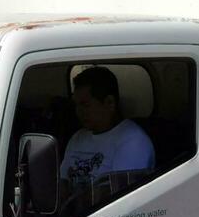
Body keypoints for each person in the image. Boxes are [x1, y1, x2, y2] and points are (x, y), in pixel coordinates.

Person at [60, 66, 155, 196]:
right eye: (76, 105)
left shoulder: (133, 142)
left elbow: (120, 197)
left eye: (85, 105)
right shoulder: (78, 138)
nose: (79, 112)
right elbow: (62, 184)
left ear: (109, 103)